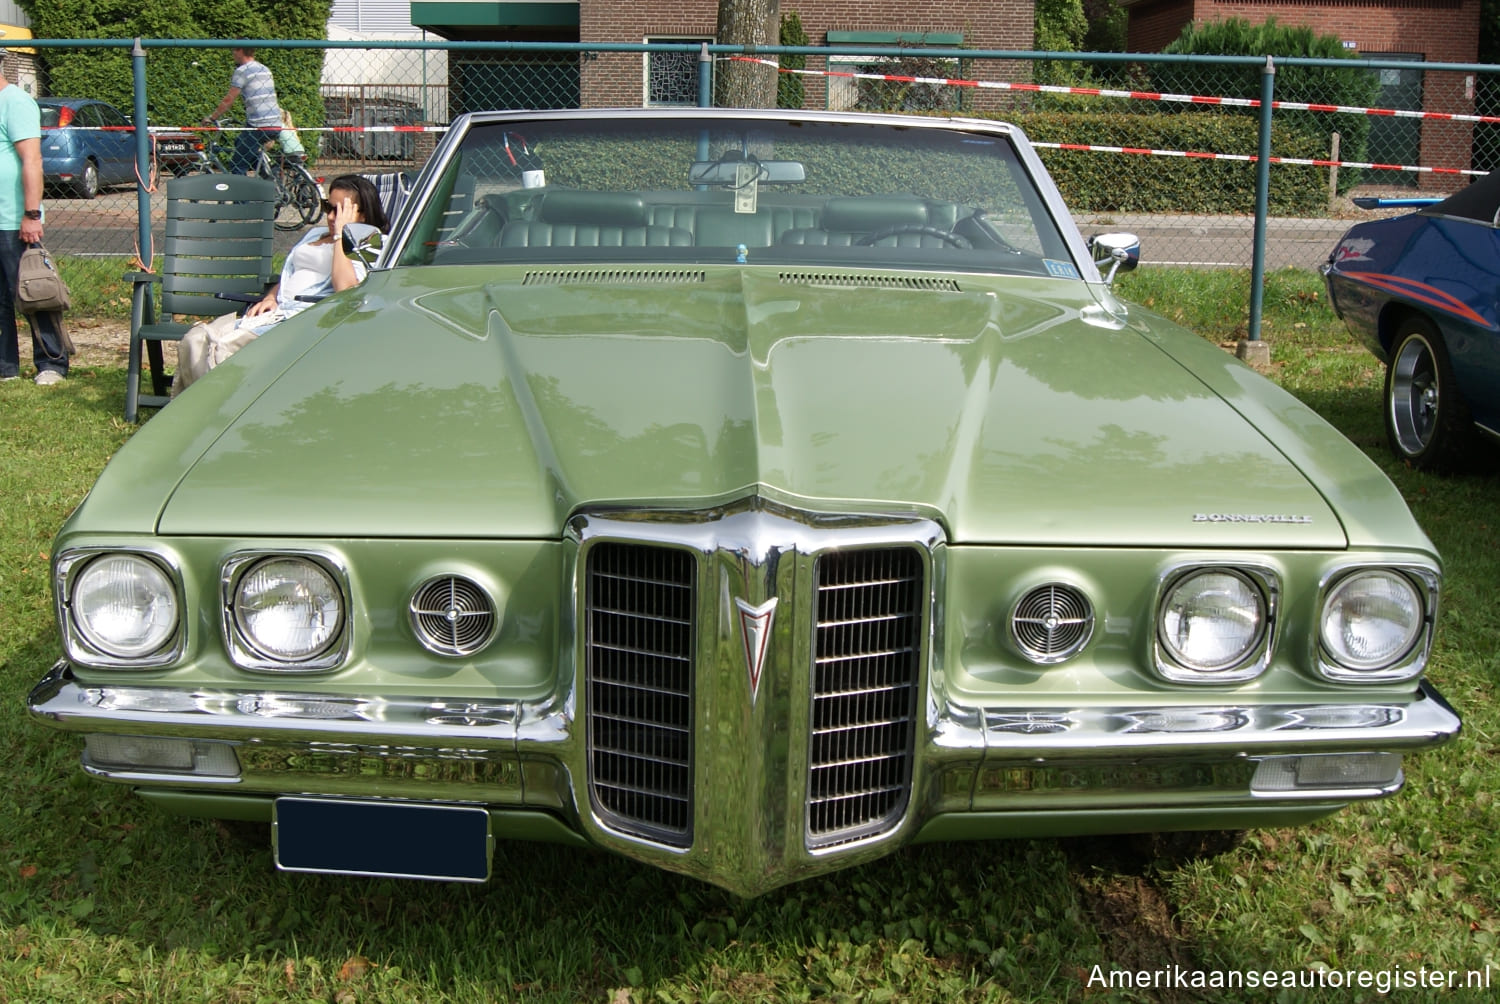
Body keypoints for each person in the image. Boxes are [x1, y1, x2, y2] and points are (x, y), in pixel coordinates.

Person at [173, 175, 390, 394]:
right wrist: (270, 297)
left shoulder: (366, 244)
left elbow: (346, 289)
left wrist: (342, 236)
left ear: (361, 214)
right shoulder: (314, 234)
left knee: (221, 348)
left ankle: (212, 410)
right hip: (275, 313)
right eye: (328, 207)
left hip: (302, 320)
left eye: (339, 210)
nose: (332, 217)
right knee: (195, 340)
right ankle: (201, 408)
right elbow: (290, 276)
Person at [0, 59, 68, 385]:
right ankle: (5, 367)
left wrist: (31, 214)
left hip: (13, 219)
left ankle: (52, 364)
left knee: (35, 292)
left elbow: (32, 160)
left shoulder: (15, 102)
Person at [203, 47, 282, 176]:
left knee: (237, 164)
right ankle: (267, 176)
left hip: (258, 124)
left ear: (240, 51)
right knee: (240, 142)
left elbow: (229, 99)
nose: (232, 53)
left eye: (234, 50)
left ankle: (242, 195)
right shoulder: (264, 69)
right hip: (276, 122)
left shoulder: (242, 71)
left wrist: (212, 118)